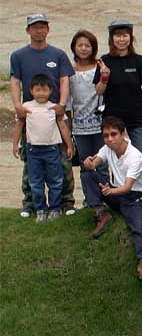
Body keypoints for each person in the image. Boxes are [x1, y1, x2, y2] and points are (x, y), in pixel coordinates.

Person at [11, 13, 74, 218]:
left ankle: (66, 201)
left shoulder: (58, 54)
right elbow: (15, 81)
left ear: (48, 29)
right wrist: (17, 106)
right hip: (30, 114)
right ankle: (30, 202)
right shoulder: (18, 55)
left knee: (63, 159)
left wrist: (62, 104)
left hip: (55, 114)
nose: (39, 30)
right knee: (30, 161)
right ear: (28, 30)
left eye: (42, 26)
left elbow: (64, 80)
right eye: (35, 27)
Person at [82, 116, 142, 279]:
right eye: (106, 135)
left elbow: (128, 186)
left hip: (133, 197)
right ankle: (101, 213)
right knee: (88, 175)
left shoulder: (135, 156)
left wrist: (110, 191)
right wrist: (89, 163)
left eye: (113, 134)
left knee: (138, 227)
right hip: (115, 191)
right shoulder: (107, 148)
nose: (109, 139)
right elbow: (94, 163)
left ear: (123, 134)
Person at [14, 73, 72, 223]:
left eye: (44, 90)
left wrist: (69, 145)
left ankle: (54, 208)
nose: (41, 93)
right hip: (33, 150)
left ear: (50, 91)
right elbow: (19, 125)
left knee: (55, 180)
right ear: (31, 91)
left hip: (52, 150)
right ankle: (40, 209)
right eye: (37, 90)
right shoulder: (26, 107)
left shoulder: (54, 107)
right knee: (35, 182)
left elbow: (63, 126)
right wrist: (15, 145)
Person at [100, 19, 142, 156]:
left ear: (131, 38)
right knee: (115, 155)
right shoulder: (105, 61)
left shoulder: (138, 60)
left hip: (136, 116)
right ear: (111, 38)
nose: (121, 39)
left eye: (125, 35)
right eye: (118, 36)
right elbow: (99, 91)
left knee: (141, 153)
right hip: (112, 117)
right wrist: (104, 77)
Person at [67, 29, 105, 211]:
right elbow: (68, 100)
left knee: (102, 163)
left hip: (99, 123)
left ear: (93, 47)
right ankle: (89, 200)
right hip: (79, 125)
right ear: (74, 47)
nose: (83, 49)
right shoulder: (69, 70)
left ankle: (105, 198)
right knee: (85, 164)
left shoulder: (100, 66)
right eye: (80, 45)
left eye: (87, 45)